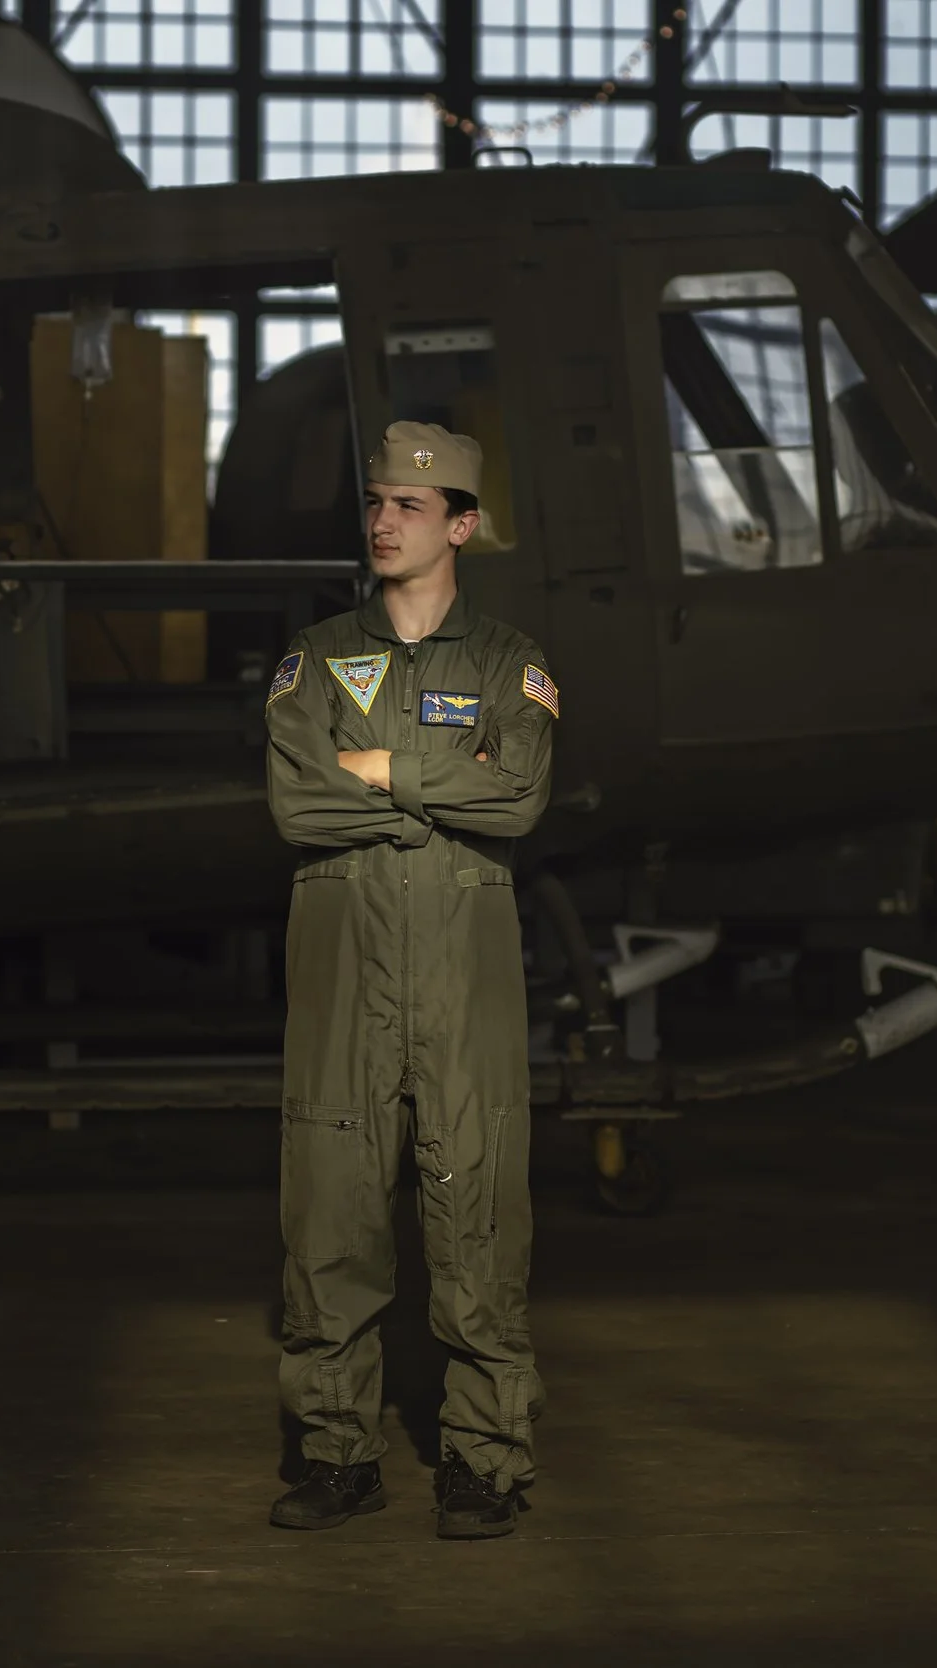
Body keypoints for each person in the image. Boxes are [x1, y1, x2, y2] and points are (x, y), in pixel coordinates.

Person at [262, 420, 557, 1540]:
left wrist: (378, 765)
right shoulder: (315, 654)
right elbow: (297, 801)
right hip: (342, 973)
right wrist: (445, 776)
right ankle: (338, 1454)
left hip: (461, 977)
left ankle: (483, 1460)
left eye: (410, 506)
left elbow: (519, 797)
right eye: (376, 501)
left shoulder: (507, 663)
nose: (383, 521)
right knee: (330, 1215)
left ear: (462, 525)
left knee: (475, 1213)